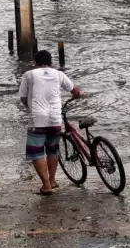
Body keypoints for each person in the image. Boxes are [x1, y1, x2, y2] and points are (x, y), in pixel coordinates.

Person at [19, 50, 82, 195]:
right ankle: (52, 180)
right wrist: (79, 92)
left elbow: (23, 98)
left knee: (36, 153)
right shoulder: (59, 74)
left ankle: (46, 185)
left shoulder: (29, 75)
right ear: (51, 62)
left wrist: (32, 107)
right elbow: (74, 91)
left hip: (37, 119)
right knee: (52, 150)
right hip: (55, 118)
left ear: (35, 63)